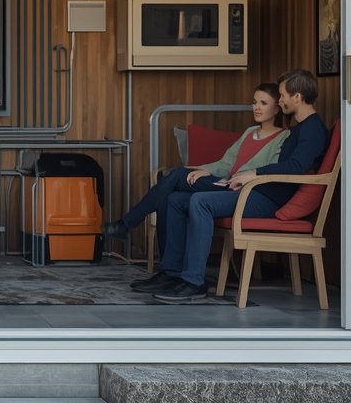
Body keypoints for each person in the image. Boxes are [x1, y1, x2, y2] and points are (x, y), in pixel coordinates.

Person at [140, 69, 330, 302]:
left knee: (200, 201)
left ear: (297, 97)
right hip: (259, 191)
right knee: (176, 200)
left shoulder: (313, 129)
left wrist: (254, 173)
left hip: (269, 199)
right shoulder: (300, 128)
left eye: (282, 96)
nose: (280, 101)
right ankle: (173, 273)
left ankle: (194, 282)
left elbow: (297, 166)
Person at [105, 83, 289, 268]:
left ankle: (126, 224)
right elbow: (226, 163)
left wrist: (243, 178)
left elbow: (270, 169)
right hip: (223, 181)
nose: (256, 107)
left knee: (175, 176)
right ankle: (168, 270)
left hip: (238, 188)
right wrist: (204, 169)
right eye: (254, 102)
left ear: (276, 108)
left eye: (263, 103)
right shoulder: (250, 132)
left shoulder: (283, 137)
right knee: (170, 195)